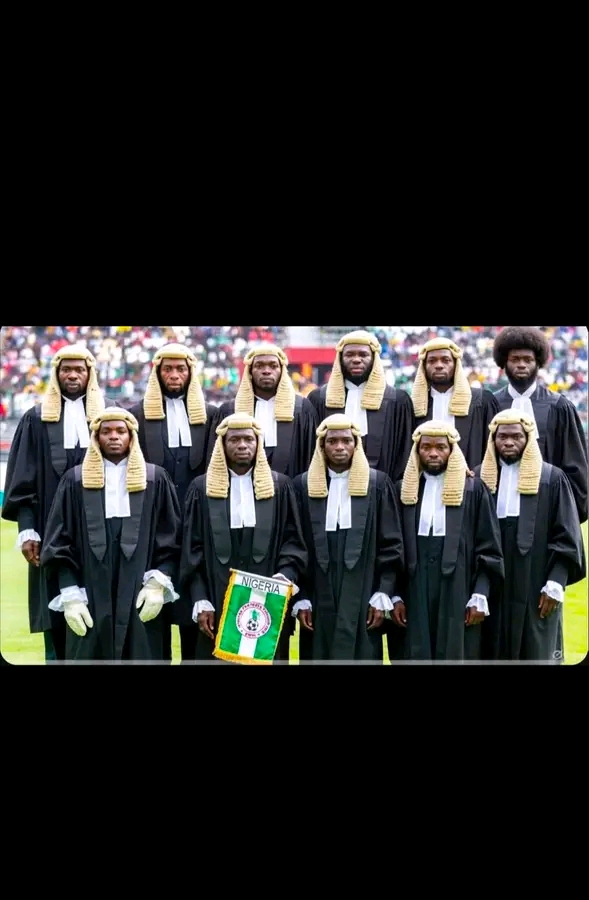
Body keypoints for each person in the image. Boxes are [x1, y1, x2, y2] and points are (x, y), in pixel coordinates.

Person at [1, 344, 116, 662]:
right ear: (56, 374)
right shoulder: (36, 419)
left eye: (79, 369)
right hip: (50, 531)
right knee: (56, 612)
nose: (73, 375)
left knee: (103, 613)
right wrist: (27, 530)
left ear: (90, 374)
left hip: (102, 530)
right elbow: (23, 478)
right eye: (67, 369)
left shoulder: (110, 414)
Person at [39, 408, 182, 662]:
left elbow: (171, 537)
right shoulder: (75, 481)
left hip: (141, 592)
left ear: (131, 436)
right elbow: (59, 542)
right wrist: (70, 595)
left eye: (120, 431)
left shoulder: (155, 479)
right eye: (106, 431)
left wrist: (157, 584)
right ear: (96, 437)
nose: (114, 436)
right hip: (89, 594)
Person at [306, 329, 414, 662]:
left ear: (374, 358)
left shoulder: (397, 400)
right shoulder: (318, 399)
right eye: (350, 355)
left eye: (363, 354)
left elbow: (404, 452)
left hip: (378, 502)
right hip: (327, 495)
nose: (356, 360)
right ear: (339, 359)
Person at [214, 343, 318, 660]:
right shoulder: (228, 410)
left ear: (282, 370)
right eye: (260, 365)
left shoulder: (302, 409)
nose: (266, 370)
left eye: (273, 365)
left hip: (286, 508)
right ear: (249, 370)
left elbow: (310, 459)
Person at [179, 412, 308, 663]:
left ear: (258, 443)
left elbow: (293, 541)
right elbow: (192, 549)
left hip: (267, 596)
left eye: (249, 439)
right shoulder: (201, 488)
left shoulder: (280, 487)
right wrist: (200, 597)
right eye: (234, 439)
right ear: (222, 444)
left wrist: (284, 577)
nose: (242, 445)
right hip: (216, 596)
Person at [128, 342, 219, 663]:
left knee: (199, 612)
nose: (174, 374)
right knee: (154, 617)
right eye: (168, 368)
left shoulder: (210, 415)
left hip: (199, 527)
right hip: (155, 528)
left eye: (181, 368)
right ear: (157, 373)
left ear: (191, 373)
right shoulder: (137, 415)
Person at [292, 414, 405, 661]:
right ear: (322, 446)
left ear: (357, 444)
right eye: (332, 441)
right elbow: (295, 544)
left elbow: (391, 544)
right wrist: (301, 598)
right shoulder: (303, 485)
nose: (340, 447)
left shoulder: (377, 484)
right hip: (318, 589)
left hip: (364, 586)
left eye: (346, 440)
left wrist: (383, 592)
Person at [389, 420, 504, 662]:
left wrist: (480, 593)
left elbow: (489, 547)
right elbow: (392, 547)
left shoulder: (473, 490)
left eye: (440, 447)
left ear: (452, 450)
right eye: (426, 447)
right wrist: (395, 595)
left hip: (459, 587)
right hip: (413, 589)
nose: (433, 453)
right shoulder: (403, 490)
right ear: (417, 451)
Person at [475, 409, 586, 662]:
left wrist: (556, 582)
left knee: (536, 652)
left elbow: (567, 537)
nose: (509, 442)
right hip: (491, 584)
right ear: (493, 439)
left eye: (516, 436)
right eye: (502, 436)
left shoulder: (552, 479)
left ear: (528, 439)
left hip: (536, 583)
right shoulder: (479, 478)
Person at [492, 326, 588, 524]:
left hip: (546, 512)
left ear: (538, 362)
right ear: (504, 362)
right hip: (496, 512)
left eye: (528, 360)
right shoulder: (490, 404)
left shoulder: (559, 406)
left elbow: (575, 464)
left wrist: (568, 513)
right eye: (515, 359)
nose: (521, 364)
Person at [410, 337, 500, 471]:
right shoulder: (413, 405)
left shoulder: (481, 400)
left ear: (456, 364)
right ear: (423, 366)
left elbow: (493, 448)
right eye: (432, 361)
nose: (439, 365)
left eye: (446, 360)